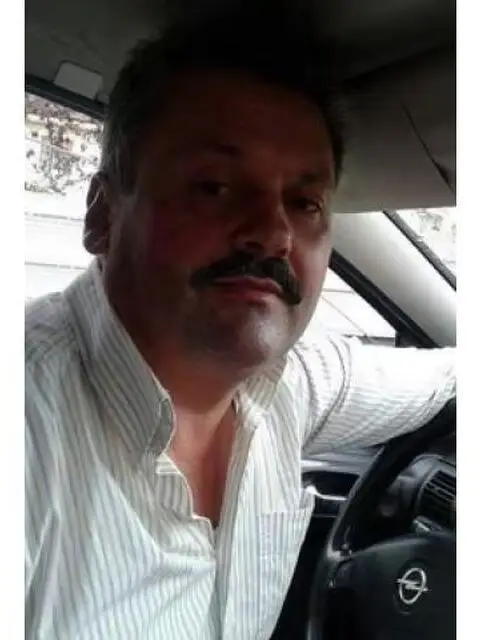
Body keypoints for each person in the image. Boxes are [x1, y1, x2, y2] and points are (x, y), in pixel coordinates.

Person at [25, 10, 455, 640]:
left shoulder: (290, 385)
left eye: (305, 202)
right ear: (102, 216)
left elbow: (446, 373)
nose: (274, 234)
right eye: (215, 187)